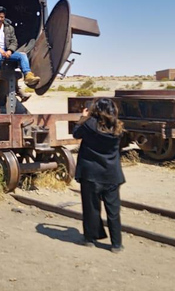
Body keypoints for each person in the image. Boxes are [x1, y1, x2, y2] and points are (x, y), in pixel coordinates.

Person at [73, 97, 125, 253]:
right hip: (111, 174)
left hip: (91, 173)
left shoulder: (88, 125)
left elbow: (76, 134)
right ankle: (116, 244)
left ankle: (90, 238)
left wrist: (83, 117)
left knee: (91, 208)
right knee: (113, 211)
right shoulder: (118, 127)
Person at [0, 6, 40, 92]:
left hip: (7, 52)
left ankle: (28, 76)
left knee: (22, 55)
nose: (0, 19)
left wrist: (10, 50)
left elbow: (14, 42)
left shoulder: (9, 28)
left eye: (2, 17)